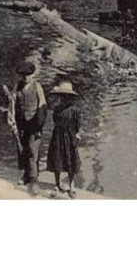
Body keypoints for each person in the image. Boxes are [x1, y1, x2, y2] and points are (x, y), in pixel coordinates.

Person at [12, 61, 47, 194]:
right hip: (22, 124)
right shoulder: (18, 86)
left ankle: (34, 180)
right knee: (23, 150)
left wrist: (39, 123)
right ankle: (26, 175)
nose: (26, 77)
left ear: (32, 75)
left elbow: (42, 105)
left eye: (28, 75)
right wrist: (13, 122)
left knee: (33, 152)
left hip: (34, 124)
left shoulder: (37, 86)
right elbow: (12, 103)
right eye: (23, 75)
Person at [47, 81, 82, 198]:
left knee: (71, 160)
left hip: (70, 137)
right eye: (62, 96)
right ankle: (57, 185)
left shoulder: (75, 110)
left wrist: (76, 136)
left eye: (66, 96)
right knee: (57, 159)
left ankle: (71, 186)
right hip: (58, 136)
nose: (64, 98)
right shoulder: (57, 109)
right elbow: (55, 121)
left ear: (70, 97)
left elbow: (78, 126)